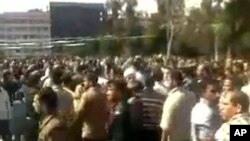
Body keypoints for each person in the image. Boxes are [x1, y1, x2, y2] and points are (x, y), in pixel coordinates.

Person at [160, 69, 196, 141]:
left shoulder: (171, 100)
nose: (164, 80)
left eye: (168, 78)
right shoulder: (192, 95)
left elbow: (166, 128)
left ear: (174, 81)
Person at [77, 72, 109, 141]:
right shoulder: (103, 94)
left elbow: (79, 112)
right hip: (102, 132)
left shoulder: (86, 95)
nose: (84, 83)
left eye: (85, 81)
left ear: (90, 82)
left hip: (89, 132)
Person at [141, 77, 165, 141]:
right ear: (153, 84)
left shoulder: (138, 96)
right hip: (154, 130)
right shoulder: (160, 97)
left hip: (141, 130)